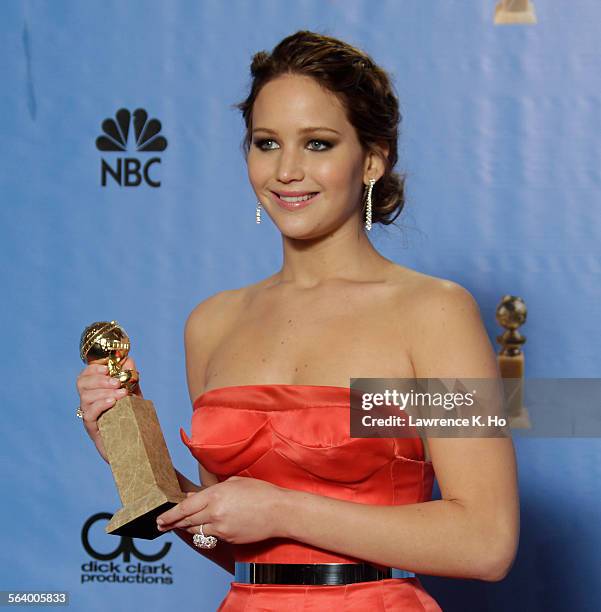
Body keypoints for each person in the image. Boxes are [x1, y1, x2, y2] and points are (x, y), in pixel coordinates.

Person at [76, 30, 519, 611]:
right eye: (266, 143)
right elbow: (229, 543)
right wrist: (131, 454)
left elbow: (486, 542)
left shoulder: (431, 313)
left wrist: (282, 507)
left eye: (317, 144)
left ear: (372, 160)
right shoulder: (213, 324)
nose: (286, 170)